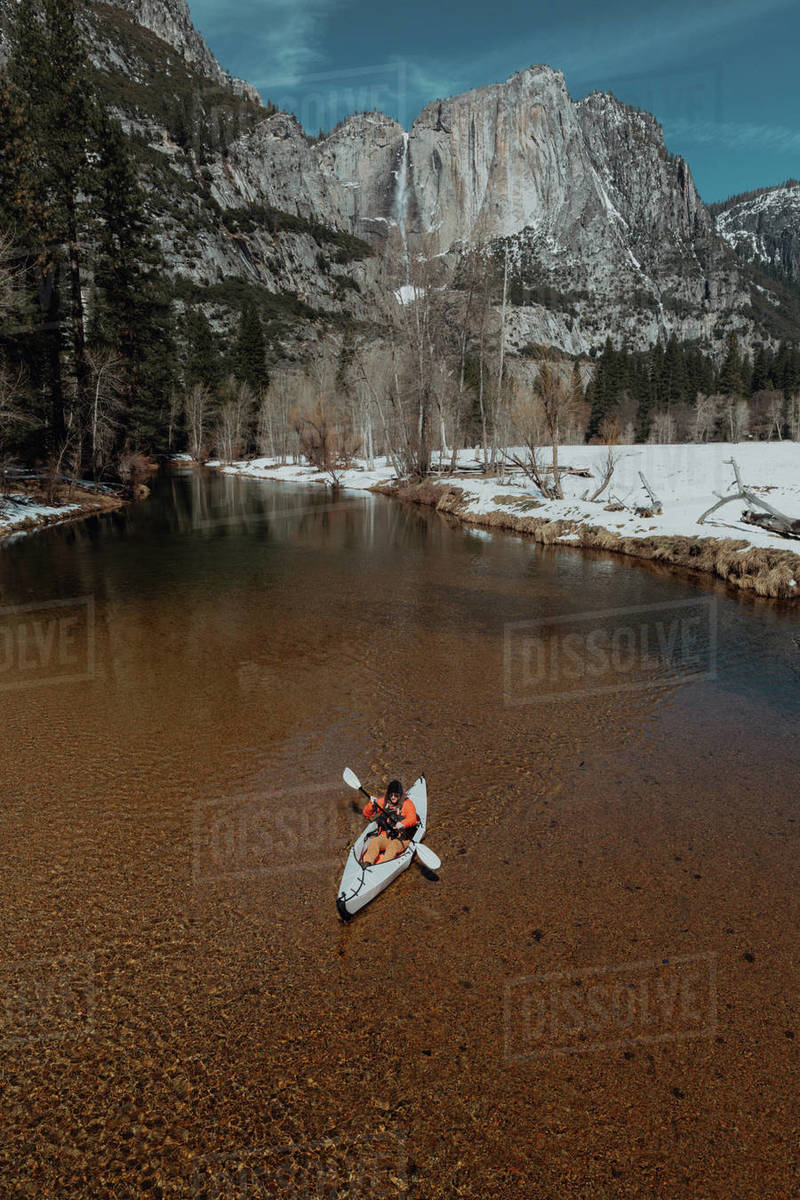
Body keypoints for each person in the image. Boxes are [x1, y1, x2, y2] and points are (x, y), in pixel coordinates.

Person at [361, 779, 418, 865]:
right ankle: (367, 863)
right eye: (391, 794)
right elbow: (366, 815)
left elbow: (413, 818)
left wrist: (403, 824)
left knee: (392, 847)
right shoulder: (384, 802)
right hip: (387, 835)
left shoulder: (407, 804)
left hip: (403, 838)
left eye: (396, 795)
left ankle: (383, 866)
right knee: (374, 842)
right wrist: (371, 805)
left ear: (400, 795)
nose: (393, 797)